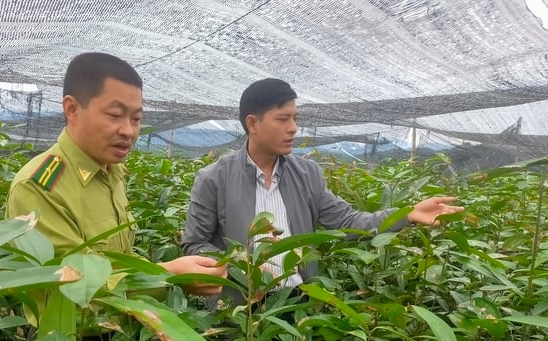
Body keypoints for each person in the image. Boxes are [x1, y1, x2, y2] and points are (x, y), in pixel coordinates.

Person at [182, 78, 463, 303]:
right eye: (283, 119)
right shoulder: (214, 178)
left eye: (295, 118)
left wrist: (408, 214)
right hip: (240, 306)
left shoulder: (308, 174)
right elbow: (194, 244)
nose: (294, 128)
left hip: (299, 302)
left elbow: (349, 223)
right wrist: (242, 267)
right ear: (252, 123)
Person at [6, 52, 226, 324]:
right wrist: (167, 276)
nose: (129, 131)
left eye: (136, 119)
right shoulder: (39, 187)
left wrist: (171, 273)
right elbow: (70, 289)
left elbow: (119, 262)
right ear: (72, 109)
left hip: (123, 337)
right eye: (115, 115)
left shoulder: (111, 173)